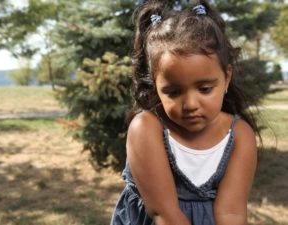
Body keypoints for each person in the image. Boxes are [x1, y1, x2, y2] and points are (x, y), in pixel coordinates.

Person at [110, 0, 260, 224]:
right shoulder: (147, 128)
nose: (190, 104)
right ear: (156, 88)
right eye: (173, 92)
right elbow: (164, 213)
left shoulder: (239, 135)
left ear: (226, 78)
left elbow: (232, 213)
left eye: (205, 89)